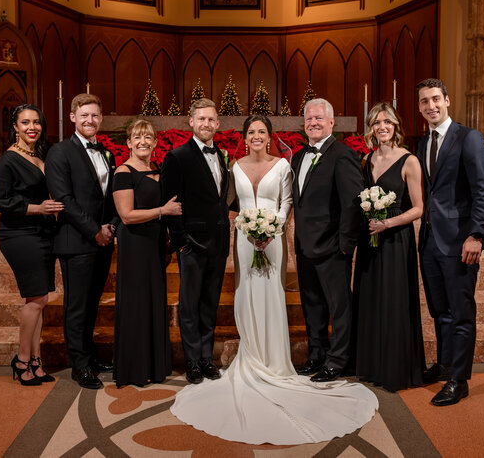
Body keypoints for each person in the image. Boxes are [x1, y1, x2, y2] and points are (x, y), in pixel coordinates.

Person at [170, 115, 378, 445]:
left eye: (261, 132)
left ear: (269, 136)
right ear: (244, 137)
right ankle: (251, 356)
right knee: (246, 295)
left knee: (272, 294)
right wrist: (246, 229)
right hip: (242, 239)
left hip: (273, 239)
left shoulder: (283, 165)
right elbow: (224, 203)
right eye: (251, 132)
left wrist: (270, 229)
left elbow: (287, 203)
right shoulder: (233, 167)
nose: (256, 136)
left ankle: (276, 360)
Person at [415, 78, 484, 406]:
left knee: (460, 312)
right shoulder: (423, 142)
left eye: (435, 99)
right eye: (424, 101)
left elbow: (482, 189)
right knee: (440, 309)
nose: (430, 106)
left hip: (461, 241)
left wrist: (476, 235)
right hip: (430, 239)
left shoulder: (468, 138)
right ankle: (446, 364)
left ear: (447, 100)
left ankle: (459, 381)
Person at [352, 103, 426, 392]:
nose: (382, 127)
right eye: (376, 122)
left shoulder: (409, 161)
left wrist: (388, 224)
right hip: (370, 241)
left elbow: (419, 208)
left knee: (393, 302)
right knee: (371, 300)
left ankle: (394, 369)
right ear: (371, 128)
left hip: (396, 242)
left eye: (387, 122)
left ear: (396, 126)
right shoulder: (365, 160)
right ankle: (371, 365)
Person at [45, 93, 116, 390]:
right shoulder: (60, 152)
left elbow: (110, 194)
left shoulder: (106, 152)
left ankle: (90, 355)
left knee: (92, 302)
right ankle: (79, 365)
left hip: (103, 239)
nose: (90, 120)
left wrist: (111, 226)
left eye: (95, 115)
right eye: (84, 115)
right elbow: (64, 200)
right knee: (77, 304)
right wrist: (94, 230)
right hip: (77, 240)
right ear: (72, 117)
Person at [291, 98, 364, 382]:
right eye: (309, 119)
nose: (314, 123)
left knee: (338, 307)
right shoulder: (298, 157)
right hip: (305, 246)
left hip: (333, 248)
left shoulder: (342, 154)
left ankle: (338, 360)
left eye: (319, 118)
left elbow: (353, 203)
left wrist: (346, 246)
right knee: (312, 305)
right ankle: (317, 355)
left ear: (332, 122)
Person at [0, 104, 62, 386]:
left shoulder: (39, 154)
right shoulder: (8, 160)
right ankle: (21, 361)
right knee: (37, 299)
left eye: (36, 122)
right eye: (25, 123)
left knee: (38, 300)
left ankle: (35, 360)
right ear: (15, 127)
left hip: (42, 232)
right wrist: (37, 208)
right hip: (19, 234)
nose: (32, 127)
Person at [160, 98, 230, 384]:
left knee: (210, 303)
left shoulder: (222, 155)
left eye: (211, 119)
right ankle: (192, 361)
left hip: (218, 242)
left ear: (217, 124)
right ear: (191, 121)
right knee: (189, 305)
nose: (206, 124)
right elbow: (170, 203)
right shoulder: (177, 156)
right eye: (201, 119)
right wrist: (181, 242)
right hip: (192, 243)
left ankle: (206, 358)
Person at [111, 119, 181, 387]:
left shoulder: (157, 168)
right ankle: (134, 368)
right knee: (137, 303)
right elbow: (127, 216)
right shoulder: (123, 173)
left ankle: (154, 365)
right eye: (137, 137)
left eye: (148, 137)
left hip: (154, 244)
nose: (143, 142)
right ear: (128, 142)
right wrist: (163, 211)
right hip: (134, 244)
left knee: (153, 300)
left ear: (154, 142)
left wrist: (167, 238)